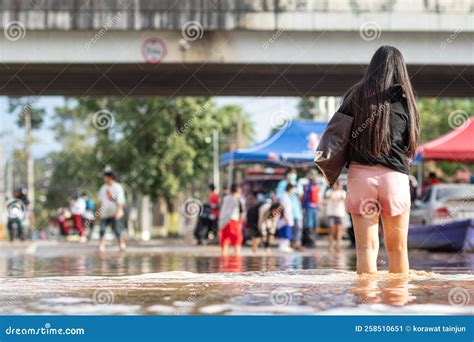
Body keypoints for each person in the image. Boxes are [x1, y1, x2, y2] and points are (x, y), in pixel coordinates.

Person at [340, 46, 420, 274]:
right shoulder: (407, 101)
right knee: (398, 249)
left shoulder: (355, 95)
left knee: (366, 248)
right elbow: (409, 144)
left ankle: (367, 303)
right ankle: (398, 303)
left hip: (360, 176)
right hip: (394, 178)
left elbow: (340, 133)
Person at [97, 170, 126, 252]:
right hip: (104, 213)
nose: (104, 178)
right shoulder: (103, 188)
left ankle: (121, 245)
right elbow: (99, 201)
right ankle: (101, 246)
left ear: (110, 177)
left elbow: (121, 201)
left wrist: (118, 212)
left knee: (117, 230)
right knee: (102, 229)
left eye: (105, 177)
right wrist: (97, 211)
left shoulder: (117, 187)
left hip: (115, 212)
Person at [218, 184, 244, 256]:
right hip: (233, 221)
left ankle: (223, 263)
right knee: (237, 243)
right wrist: (240, 224)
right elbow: (241, 213)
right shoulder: (239, 199)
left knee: (224, 244)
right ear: (238, 190)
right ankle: (237, 262)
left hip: (223, 222)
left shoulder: (225, 198)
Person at [325, 180, 347, 250]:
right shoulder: (329, 192)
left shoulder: (343, 192)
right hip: (331, 213)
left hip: (340, 214)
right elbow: (329, 198)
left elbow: (344, 200)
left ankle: (338, 245)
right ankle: (330, 245)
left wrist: (339, 192)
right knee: (331, 230)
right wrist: (334, 190)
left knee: (339, 230)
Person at [302, 170, 320, 246]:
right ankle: (311, 240)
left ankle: (311, 240)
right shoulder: (314, 185)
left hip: (310, 207)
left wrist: (303, 206)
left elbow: (305, 197)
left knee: (310, 224)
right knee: (311, 224)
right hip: (312, 207)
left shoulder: (309, 186)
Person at [277, 184, 295, 253]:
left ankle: (285, 246)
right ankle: (283, 246)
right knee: (285, 232)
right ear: (290, 189)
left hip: (288, 216)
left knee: (287, 232)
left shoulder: (287, 196)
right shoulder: (284, 197)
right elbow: (282, 208)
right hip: (285, 217)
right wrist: (286, 217)